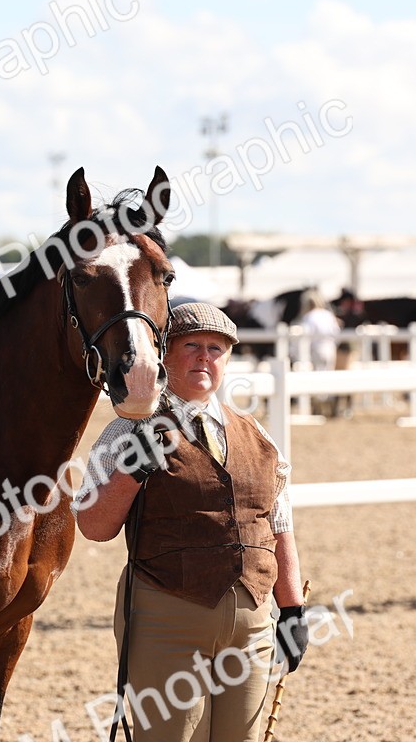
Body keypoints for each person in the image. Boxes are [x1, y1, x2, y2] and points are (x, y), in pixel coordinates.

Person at [73, 302, 307, 742]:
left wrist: (292, 608)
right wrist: (132, 470)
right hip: (166, 616)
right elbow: (93, 524)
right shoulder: (125, 432)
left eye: (216, 349)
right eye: (192, 346)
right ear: (163, 355)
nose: (204, 357)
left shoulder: (257, 436)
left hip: (252, 622)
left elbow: (279, 523)